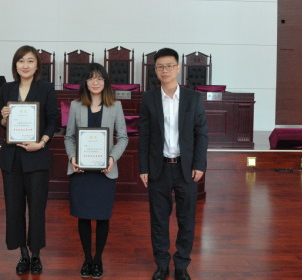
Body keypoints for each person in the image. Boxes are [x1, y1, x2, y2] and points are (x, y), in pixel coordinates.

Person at [138, 48, 208, 280]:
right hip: (158, 167)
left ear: (178, 68)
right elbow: (144, 135)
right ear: (155, 70)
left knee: (186, 219)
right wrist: (143, 167)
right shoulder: (149, 98)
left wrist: (199, 164)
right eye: (160, 66)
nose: (164, 70)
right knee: (158, 219)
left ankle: (181, 264)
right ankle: (161, 264)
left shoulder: (193, 98)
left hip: (185, 167)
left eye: (169, 66)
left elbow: (201, 133)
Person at [64, 63, 129, 279]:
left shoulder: (115, 106)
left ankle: (98, 259)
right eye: (91, 78)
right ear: (85, 81)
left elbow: (123, 138)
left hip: (105, 171)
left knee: (102, 217)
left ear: (105, 82)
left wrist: (112, 158)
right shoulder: (76, 106)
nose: (95, 82)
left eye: (99, 78)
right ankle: (87, 259)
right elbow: (69, 137)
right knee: (83, 216)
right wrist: (72, 157)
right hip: (81, 170)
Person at [0, 45, 58, 275]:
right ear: (15, 64)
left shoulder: (46, 89)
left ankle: (36, 255)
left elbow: (53, 121)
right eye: (21, 61)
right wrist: (4, 119)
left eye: (30, 61)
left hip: (37, 156)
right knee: (14, 209)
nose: (25, 65)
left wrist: (41, 142)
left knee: (36, 209)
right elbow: (1, 124)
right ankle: (23, 254)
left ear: (37, 65)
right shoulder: (7, 88)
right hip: (11, 159)